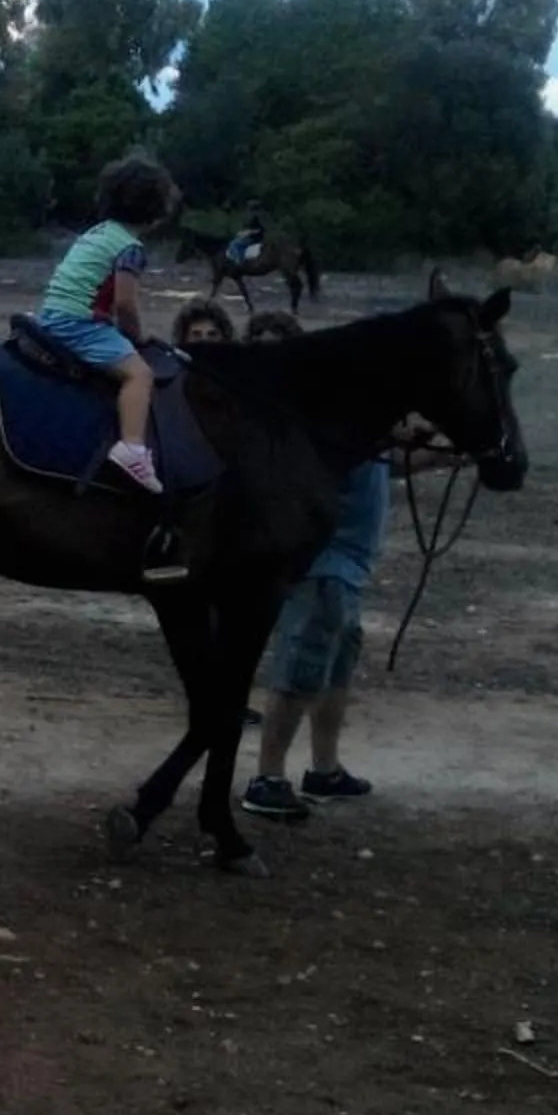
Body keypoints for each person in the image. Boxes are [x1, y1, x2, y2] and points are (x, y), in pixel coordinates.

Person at [236, 309, 455, 819]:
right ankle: (268, 777)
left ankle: (323, 769)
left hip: (347, 565)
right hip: (321, 563)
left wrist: (440, 456)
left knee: (334, 669)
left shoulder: (351, 414)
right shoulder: (311, 417)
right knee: (300, 668)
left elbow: (385, 466)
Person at [32, 153, 180, 495]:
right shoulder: (130, 247)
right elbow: (125, 303)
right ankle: (131, 449)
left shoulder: (97, 233)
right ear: (156, 207)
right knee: (139, 374)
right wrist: (136, 337)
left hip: (52, 313)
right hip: (78, 323)